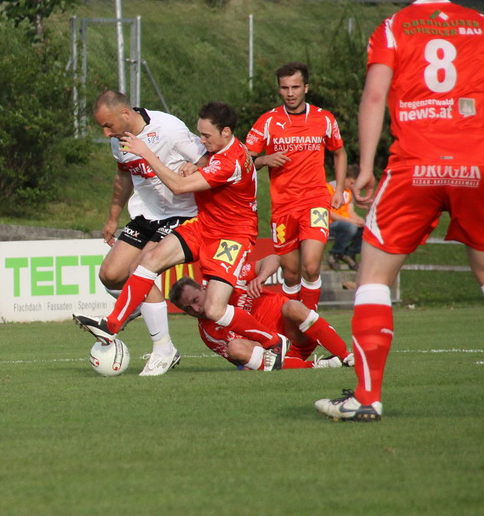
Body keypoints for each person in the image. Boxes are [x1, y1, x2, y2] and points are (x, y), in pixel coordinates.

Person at [315, 0, 484, 421]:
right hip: (475, 168)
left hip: (414, 167)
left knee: (373, 277)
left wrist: (365, 167)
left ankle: (366, 398)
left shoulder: (393, 28)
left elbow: (374, 97)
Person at [74, 102, 290, 370]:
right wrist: (196, 166)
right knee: (148, 261)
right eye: (199, 133)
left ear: (225, 132)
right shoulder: (220, 151)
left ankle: (273, 341)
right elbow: (206, 164)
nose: (200, 140)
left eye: (206, 136)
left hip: (231, 237)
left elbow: (178, 187)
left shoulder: (230, 161)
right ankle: (111, 324)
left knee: (214, 310)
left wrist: (146, 152)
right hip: (204, 225)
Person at [90, 90, 207, 376]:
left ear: (124, 114)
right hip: (147, 216)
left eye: (108, 125)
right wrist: (112, 217)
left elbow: (209, 159)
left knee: (139, 270)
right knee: (110, 275)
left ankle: (164, 348)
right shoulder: (119, 140)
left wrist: (195, 167)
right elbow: (123, 176)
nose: (106, 133)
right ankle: (137, 304)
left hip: (183, 214)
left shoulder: (168, 128)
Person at [246, 62, 348, 311]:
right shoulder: (268, 121)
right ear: (279, 89)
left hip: (315, 200)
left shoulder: (324, 118)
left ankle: (309, 324)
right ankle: (292, 324)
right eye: (285, 88)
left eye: (295, 87)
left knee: (311, 267)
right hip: (283, 206)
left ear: (306, 88)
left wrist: (338, 189)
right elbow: (243, 161)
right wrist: (264, 160)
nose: (290, 93)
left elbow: (339, 152)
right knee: (291, 275)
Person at [169, 253, 354, 370]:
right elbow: (240, 358)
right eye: (188, 309)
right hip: (275, 355)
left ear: (203, 288)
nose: (196, 309)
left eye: (195, 300)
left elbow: (273, 259)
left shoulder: (229, 281)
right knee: (235, 348)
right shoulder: (208, 333)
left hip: (296, 334)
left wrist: (261, 277)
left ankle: (346, 356)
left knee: (292, 307)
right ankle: (316, 366)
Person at [326, 164, 365, 272]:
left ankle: (350, 253)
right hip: (331, 223)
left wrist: (358, 219)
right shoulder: (330, 188)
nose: (352, 186)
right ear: (344, 178)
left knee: (365, 229)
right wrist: (350, 221)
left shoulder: (348, 191)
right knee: (350, 227)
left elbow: (350, 211)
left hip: (345, 222)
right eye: (351, 183)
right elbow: (328, 213)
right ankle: (335, 253)